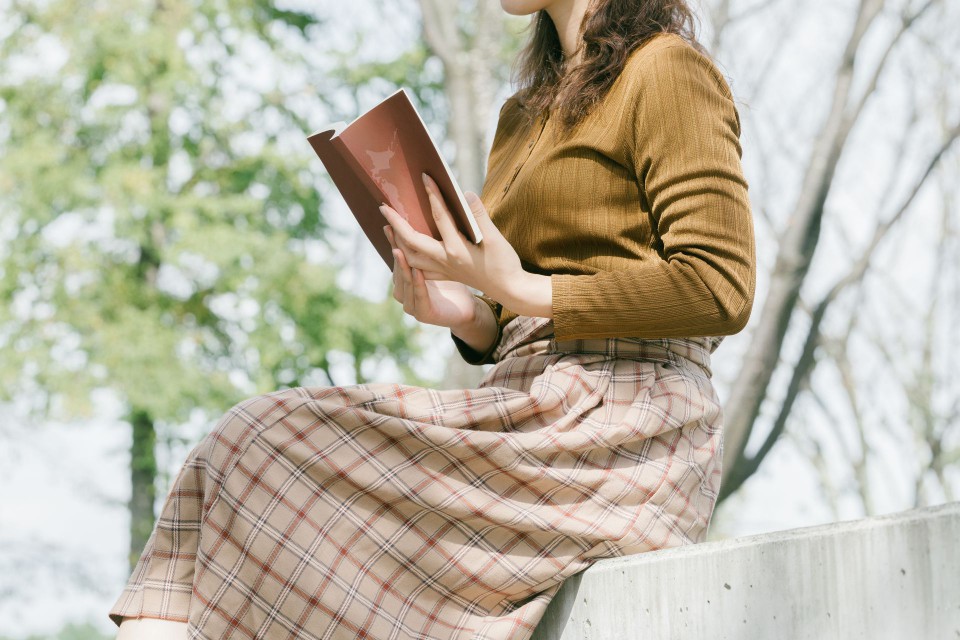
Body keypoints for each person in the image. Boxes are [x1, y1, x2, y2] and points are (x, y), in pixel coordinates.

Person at [111, 0, 756, 637]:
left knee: (257, 439)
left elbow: (719, 286)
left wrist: (523, 290)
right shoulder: (522, 115)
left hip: (625, 426)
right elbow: (511, 310)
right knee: (223, 463)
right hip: (523, 402)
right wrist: (470, 317)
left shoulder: (665, 70)